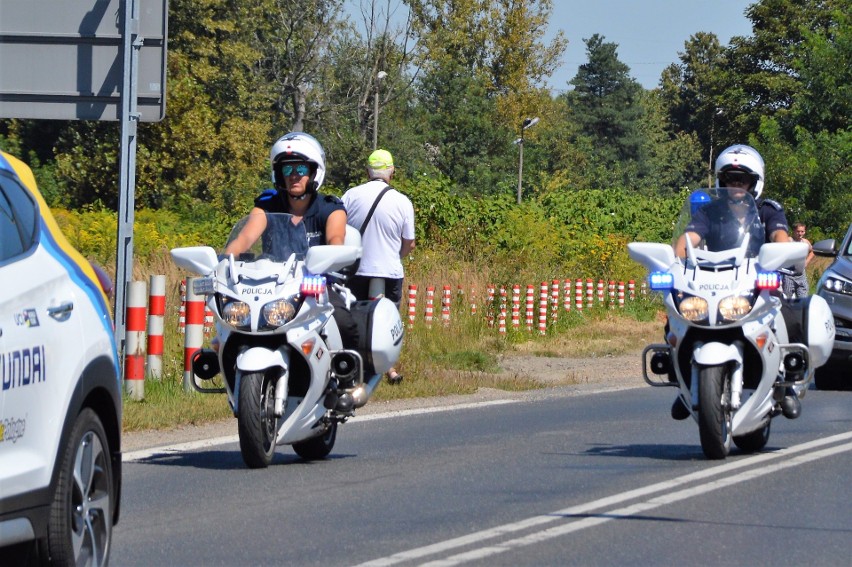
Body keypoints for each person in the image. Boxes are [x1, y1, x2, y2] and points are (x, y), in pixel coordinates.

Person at [670, 144, 800, 420]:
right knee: (677, 316)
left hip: (756, 280)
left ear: (755, 182)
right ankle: (681, 383)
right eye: (730, 178)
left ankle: (787, 382)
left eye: (742, 179)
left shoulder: (768, 210)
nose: (736, 183)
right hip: (714, 282)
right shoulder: (710, 211)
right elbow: (688, 240)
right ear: (722, 180)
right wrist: (675, 259)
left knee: (789, 315)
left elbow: (779, 236)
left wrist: (783, 250)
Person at [224, 131, 359, 348]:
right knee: (228, 330)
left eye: (301, 169)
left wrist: (333, 257)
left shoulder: (331, 208)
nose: (294, 175)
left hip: (315, 285)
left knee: (343, 322)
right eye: (287, 169)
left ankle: (347, 375)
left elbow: (336, 239)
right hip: (271, 287)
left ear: (314, 172)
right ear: (279, 174)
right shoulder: (266, 206)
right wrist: (222, 262)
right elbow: (244, 238)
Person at [342, 149, 415, 385]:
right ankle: (388, 368)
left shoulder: (350, 196)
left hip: (356, 270)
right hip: (389, 271)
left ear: (367, 172)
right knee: (387, 321)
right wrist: (396, 257)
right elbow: (409, 242)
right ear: (392, 172)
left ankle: (352, 368)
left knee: (352, 319)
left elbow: (338, 233)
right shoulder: (402, 202)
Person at [782, 222, 814, 298]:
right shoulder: (788, 241)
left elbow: (812, 251)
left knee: (803, 299)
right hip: (789, 275)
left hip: (801, 275)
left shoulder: (805, 242)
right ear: (794, 231)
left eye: (802, 231)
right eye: (798, 231)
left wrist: (807, 261)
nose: (800, 233)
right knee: (787, 300)